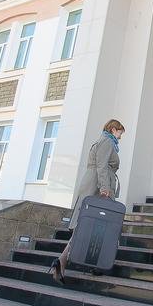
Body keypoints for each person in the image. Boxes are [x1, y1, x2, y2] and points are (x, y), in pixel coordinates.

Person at [51, 119, 125, 284]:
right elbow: (102, 166)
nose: (120, 136)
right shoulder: (107, 141)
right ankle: (74, 262)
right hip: (97, 187)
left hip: (95, 185)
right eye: (120, 132)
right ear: (113, 129)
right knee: (92, 225)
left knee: (88, 225)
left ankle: (67, 262)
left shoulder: (103, 141)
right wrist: (105, 188)